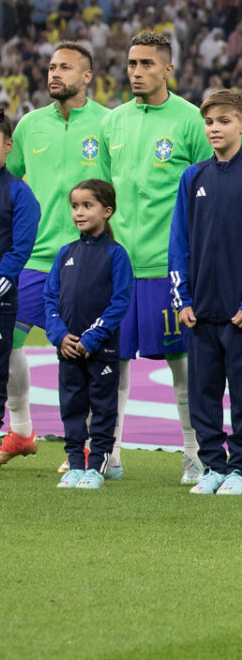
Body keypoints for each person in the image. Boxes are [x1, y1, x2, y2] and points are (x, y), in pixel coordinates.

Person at [100, 30, 210, 484]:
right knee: (113, 363)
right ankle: (110, 452)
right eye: (132, 64)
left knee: (181, 363)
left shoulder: (190, 121)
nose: (137, 72)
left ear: (168, 68)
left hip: (171, 267)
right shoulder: (113, 122)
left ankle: (193, 453)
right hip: (122, 264)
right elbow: (106, 194)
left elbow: (208, 192)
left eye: (147, 64)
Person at [169, 90, 242, 496]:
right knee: (202, 393)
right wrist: (182, 300)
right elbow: (178, 242)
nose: (215, 129)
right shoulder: (192, 177)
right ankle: (212, 467)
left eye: (223, 121)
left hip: (241, 310)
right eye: (210, 122)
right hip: (200, 309)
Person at [0, 43, 109, 469]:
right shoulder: (29, 125)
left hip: (86, 257)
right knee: (7, 344)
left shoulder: (107, 123)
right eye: (50, 67)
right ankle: (23, 431)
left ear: (87, 76)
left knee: (84, 352)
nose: (54, 73)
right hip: (33, 258)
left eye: (65, 67)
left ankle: (88, 443)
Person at [45, 179, 131, 489]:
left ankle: (97, 466)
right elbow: (50, 299)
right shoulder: (65, 253)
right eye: (75, 206)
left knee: (103, 409)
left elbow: (119, 302)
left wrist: (90, 339)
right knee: (72, 408)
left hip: (100, 351)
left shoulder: (116, 255)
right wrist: (60, 336)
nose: (79, 213)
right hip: (68, 350)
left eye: (87, 206)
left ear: (107, 211)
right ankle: (75, 464)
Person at [0, 115, 37, 464]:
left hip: (2, 297)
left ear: (8, 146)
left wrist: (4, 276)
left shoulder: (19, 193)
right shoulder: (33, 123)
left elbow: (20, 244)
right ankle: (20, 431)